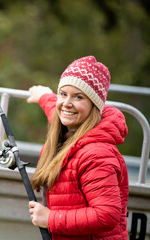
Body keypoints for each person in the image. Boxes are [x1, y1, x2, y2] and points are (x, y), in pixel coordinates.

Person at [27, 56, 129, 240]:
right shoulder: (71, 127)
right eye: (63, 93)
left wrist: (51, 218)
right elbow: (58, 110)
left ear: (94, 106)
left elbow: (107, 215)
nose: (66, 103)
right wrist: (44, 95)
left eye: (78, 97)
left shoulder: (96, 154)